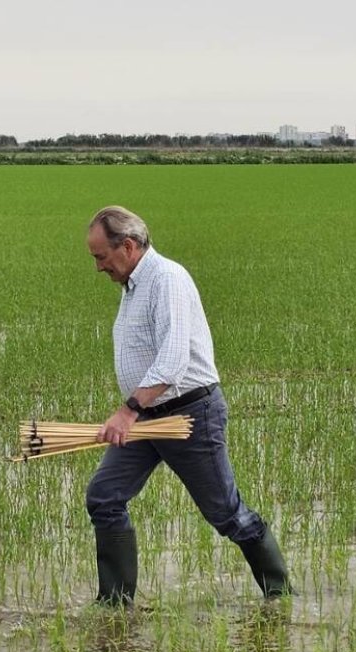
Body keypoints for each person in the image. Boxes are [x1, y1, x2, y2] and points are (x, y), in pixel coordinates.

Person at [84, 205, 292, 607]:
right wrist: (136, 411)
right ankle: (114, 605)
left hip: (189, 416)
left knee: (226, 513)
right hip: (148, 418)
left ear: (127, 246)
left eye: (101, 256)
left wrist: (127, 411)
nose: (98, 267)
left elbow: (173, 359)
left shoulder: (166, 279)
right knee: (104, 496)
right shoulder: (133, 287)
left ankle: (280, 594)